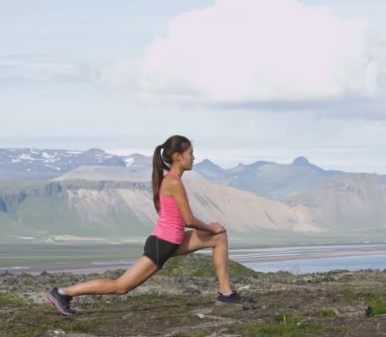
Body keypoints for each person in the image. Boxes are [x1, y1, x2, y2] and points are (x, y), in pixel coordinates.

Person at [46, 135, 250, 315]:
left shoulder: (169, 180)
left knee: (219, 237)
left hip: (172, 240)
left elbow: (173, 219)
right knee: (121, 287)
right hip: (162, 244)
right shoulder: (173, 182)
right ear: (178, 156)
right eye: (190, 153)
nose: (193, 157)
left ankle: (226, 293)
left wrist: (213, 230)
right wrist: (210, 227)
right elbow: (188, 220)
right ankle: (63, 293)